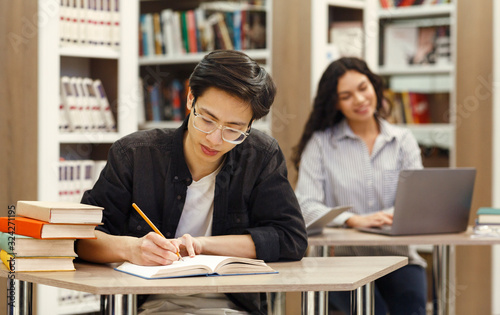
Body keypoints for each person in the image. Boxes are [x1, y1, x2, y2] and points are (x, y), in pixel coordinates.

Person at [77, 50, 308, 314]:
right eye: (207, 120)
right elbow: (82, 238)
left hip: (234, 306)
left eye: (233, 129)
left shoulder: (261, 155)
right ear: (190, 99)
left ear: (251, 125)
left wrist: (201, 245)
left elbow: (291, 239)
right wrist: (132, 248)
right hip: (145, 305)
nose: (215, 139)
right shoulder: (135, 154)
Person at [293, 57, 427, 315]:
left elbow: (416, 202)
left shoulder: (403, 140)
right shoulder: (320, 144)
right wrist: (352, 220)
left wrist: (385, 216)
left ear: (374, 87)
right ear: (335, 103)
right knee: (373, 311)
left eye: (363, 88)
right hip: (341, 260)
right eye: (346, 95)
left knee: (412, 307)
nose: (359, 99)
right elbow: (304, 205)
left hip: (400, 257)